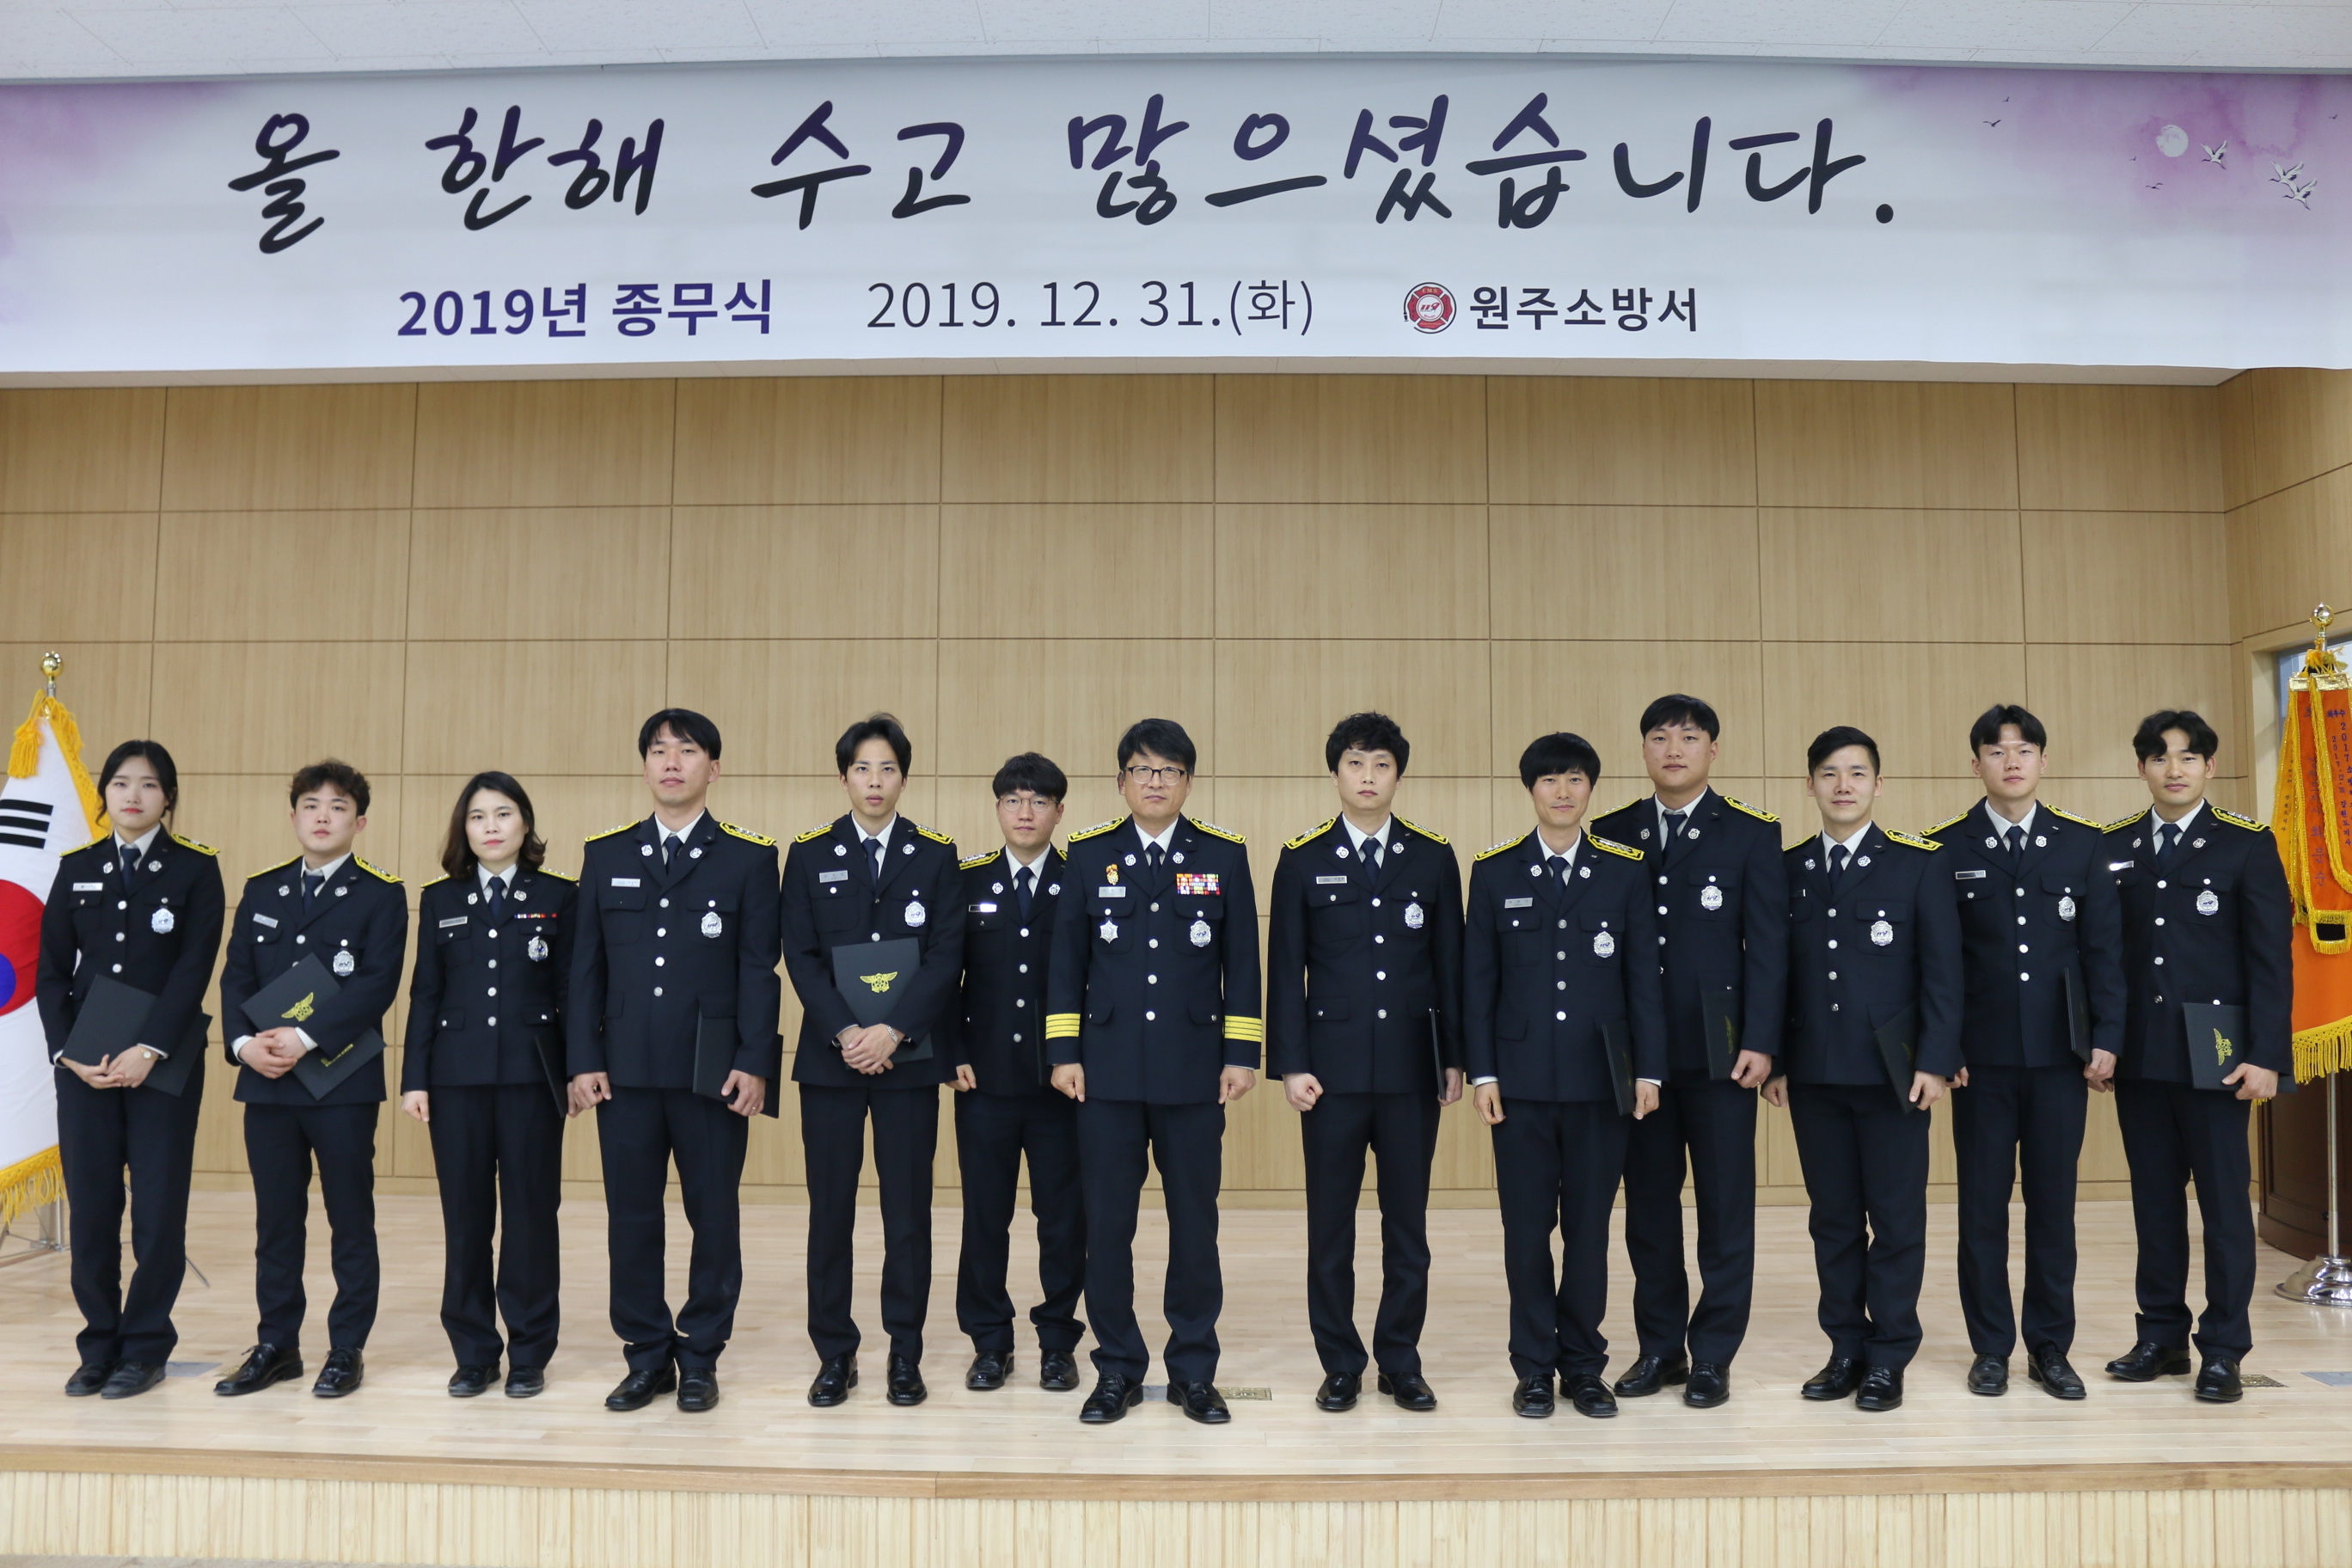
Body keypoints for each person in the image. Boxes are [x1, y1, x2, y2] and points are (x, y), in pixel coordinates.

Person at [1045, 718, 1260, 1426]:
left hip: (1194, 1073)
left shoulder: (1223, 855)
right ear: (1121, 782)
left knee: (1194, 1227)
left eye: (1169, 771)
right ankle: (1117, 1368)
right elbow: (1066, 962)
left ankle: (1194, 1370)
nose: (1156, 782)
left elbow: (1243, 964)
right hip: (1105, 1075)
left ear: (1188, 782)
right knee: (1108, 1228)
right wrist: (1063, 1052)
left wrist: (1241, 1054)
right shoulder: (1089, 855)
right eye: (1142, 770)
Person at [569, 709, 781, 1414]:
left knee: (713, 1218)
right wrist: (583, 1058)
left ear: (712, 769)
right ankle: (645, 1355)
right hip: (624, 1071)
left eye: (686, 751)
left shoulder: (749, 858)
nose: (670, 762)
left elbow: (759, 970)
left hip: (712, 1071)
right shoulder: (607, 854)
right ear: (644, 767)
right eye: (658, 751)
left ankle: (700, 1355)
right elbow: (585, 970)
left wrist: (755, 1060)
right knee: (631, 1220)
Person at [1923, 705, 2122, 1401]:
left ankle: (2049, 1347)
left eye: (2024, 750)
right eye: (1996, 751)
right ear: (1975, 763)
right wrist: (1942, 1047)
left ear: (2043, 761)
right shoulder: (1944, 847)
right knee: (1981, 1210)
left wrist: (2107, 1037)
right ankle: (1990, 1348)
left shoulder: (2083, 845)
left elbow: (2104, 953)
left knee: (2053, 1210)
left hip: (2059, 1059)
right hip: (1978, 1062)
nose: (2011, 762)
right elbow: (1937, 963)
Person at [1592, 695, 1785, 1410]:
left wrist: (1763, 1040)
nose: (1674, 749)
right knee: (1649, 1209)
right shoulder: (1613, 832)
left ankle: (1713, 1355)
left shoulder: (1751, 833)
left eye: (1689, 737)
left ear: (1713, 750)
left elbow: (1770, 946)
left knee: (1725, 1208)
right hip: (1640, 1057)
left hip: (1723, 1052)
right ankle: (1659, 1348)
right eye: (1660, 737)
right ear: (1643, 749)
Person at [1266, 712, 1462, 1413]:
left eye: (1381, 765)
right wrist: (1291, 1064)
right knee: (1331, 1230)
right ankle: (1342, 1363)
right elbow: (1285, 969)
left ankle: (1400, 1361)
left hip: (1411, 1073)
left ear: (1398, 775)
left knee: (1408, 1230)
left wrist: (1454, 1059)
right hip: (1331, 1076)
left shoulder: (1433, 857)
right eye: (1356, 764)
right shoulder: (1302, 857)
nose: (1368, 777)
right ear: (1336, 774)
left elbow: (1450, 966)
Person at [1466, 732, 1664, 1421]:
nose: (1562, 791)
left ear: (1590, 790)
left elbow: (1643, 982)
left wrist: (1649, 1071)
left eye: (1575, 779)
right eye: (1549, 780)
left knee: (1588, 1233)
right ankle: (1532, 1368)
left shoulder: (1624, 870)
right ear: (1531, 790)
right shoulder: (1494, 872)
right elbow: (1478, 984)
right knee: (1526, 1234)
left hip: (1601, 1085)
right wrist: (1484, 1073)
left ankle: (1583, 1367)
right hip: (1518, 1087)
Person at [1767, 726, 1960, 1413]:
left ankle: (1890, 1354)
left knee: (1898, 1221)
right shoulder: (1787, 868)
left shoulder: (1917, 864)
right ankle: (1845, 1347)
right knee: (1834, 1221)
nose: (1842, 785)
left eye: (1856, 773)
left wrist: (1936, 1061)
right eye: (1829, 773)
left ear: (1879, 784)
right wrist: (1775, 1058)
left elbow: (1943, 973)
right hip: (1814, 1073)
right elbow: (1774, 973)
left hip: (1893, 1075)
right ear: (1810, 785)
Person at [2101, 709, 2288, 1403]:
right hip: (2142, 1059)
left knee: (2224, 1210)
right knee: (2154, 1207)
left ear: (2210, 766)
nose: (2173, 769)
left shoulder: (2246, 845)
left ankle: (2225, 1348)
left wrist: (2266, 1055)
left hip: (2220, 1059)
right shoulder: (2115, 847)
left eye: (2187, 757)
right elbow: (2104, 960)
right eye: (2159, 757)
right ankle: (2161, 1337)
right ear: (2141, 767)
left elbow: (2271, 963)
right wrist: (2104, 1042)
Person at [781, 714, 964, 1409]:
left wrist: (893, 1031)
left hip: (909, 1061)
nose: (875, 780)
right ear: (844, 778)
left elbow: (947, 955)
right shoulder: (808, 854)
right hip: (831, 1063)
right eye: (863, 768)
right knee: (830, 1213)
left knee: (907, 1214)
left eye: (888, 768)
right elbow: (800, 956)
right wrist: (848, 1033)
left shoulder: (936, 855)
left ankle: (904, 1355)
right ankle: (835, 1355)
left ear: (903, 778)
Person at [215, 759, 407, 1400]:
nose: (323, 817)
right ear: (293, 815)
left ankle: (346, 1347)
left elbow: (376, 985)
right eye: (311, 805)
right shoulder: (262, 889)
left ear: (360, 822)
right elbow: (236, 976)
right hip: (267, 1081)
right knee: (276, 1221)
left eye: (338, 807)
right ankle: (278, 1345)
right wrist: (243, 1045)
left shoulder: (382, 894)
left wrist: (304, 1037)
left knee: (350, 1217)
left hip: (341, 1081)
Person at [38, 740, 224, 1400]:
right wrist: (67, 1052)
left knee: (157, 1214)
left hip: (163, 1065)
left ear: (168, 797)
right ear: (105, 795)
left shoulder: (196, 868)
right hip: (85, 1062)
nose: (133, 795)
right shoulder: (78, 866)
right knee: (92, 1212)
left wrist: (151, 1048)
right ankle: (98, 1345)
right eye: (120, 783)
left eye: (148, 784)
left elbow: (194, 967)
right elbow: (51, 970)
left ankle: (145, 1348)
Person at [401, 772, 578, 1400]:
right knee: (466, 1219)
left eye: (503, 814)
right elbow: (425, 994)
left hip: (533, 1078)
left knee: (531, 1216)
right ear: (464, 829)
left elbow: (571, 992)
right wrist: (415, 1078)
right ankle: (474, 1352)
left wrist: (577, 1070)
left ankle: (529, 1351)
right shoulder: (440, 898)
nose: (492, 827)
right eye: (478, 817)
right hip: (456, 1080)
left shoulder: (559, 895)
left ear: (525, 823)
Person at [944, 754, 1085, 1395]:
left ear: (1059, 811)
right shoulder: (965, 880)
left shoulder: (1080, 878)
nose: (1025, 813)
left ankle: (1058, 1342)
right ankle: (989, 1342)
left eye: (1039, 802)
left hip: (1061, 1085)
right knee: (985, 1218)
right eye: (1013, 801)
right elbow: (942, 973)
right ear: (997, 808)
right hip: (984, 1081)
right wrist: (949, 1051)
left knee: (1063, 1221)